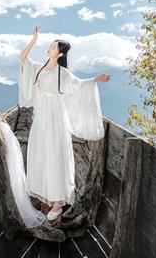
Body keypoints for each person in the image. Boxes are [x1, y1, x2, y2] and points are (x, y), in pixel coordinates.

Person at [19, 24, 111, 221]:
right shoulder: (39, 68)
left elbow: (79, 85)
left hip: (55, 116)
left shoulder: (63, 73)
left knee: (55, 154)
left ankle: (58, 202)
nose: (50, 48)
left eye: (54, 47)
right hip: (42, 116)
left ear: (60, 54)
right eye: (50, 46)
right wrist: (33, 40)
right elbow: (23, 58)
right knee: (42, 153)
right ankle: (45, 193)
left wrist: (96, 79)